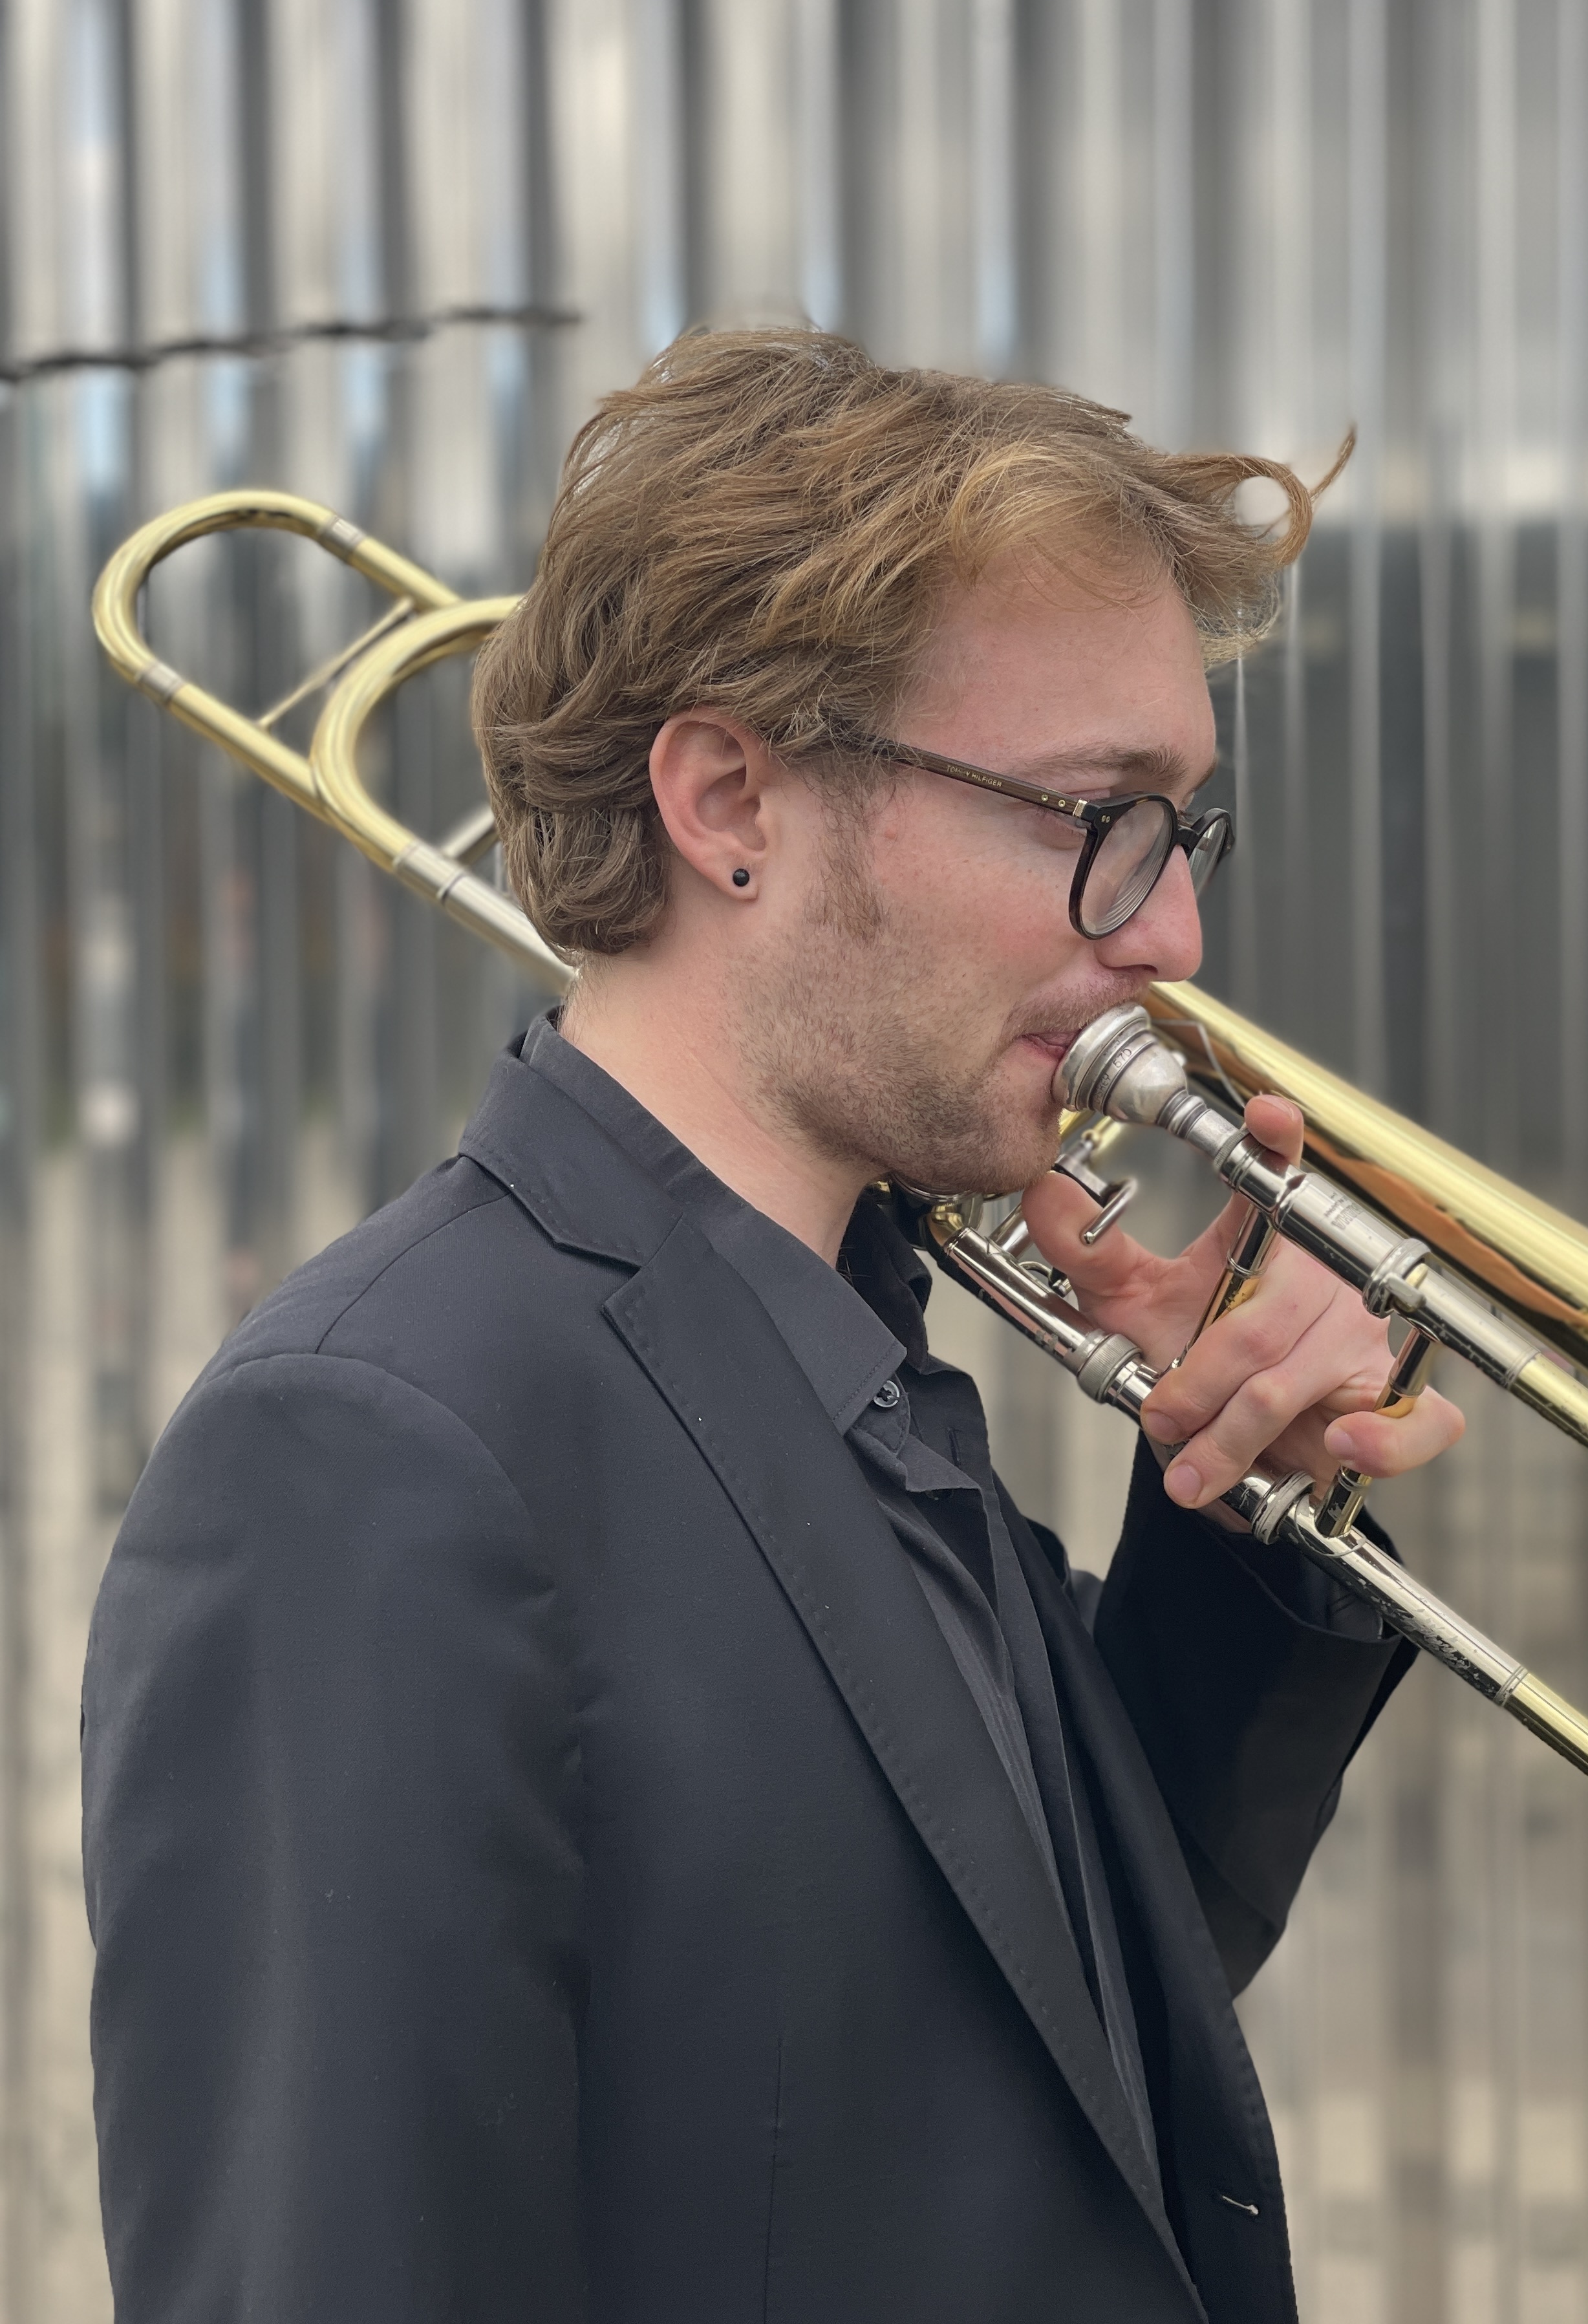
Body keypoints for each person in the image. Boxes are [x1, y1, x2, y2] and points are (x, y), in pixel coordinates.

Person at [82, 329, 1462, 2324]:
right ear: (733, 802)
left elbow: (1026, 2059)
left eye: (1183, 831)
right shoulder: (369, 1449)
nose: (1170, 934)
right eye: (1098, 817)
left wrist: (1240, 1519)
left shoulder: (859, 1337)